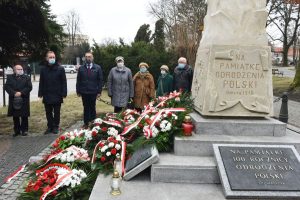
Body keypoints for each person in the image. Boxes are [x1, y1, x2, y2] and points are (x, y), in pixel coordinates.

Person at [38, 51, 67, 134]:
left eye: (53, 57)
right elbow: (41, 82)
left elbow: (64, 82)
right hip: (47, 94)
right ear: (47, 58)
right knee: (48, 112)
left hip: (57, 94)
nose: (52, 59)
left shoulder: (60, 68)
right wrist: (40, 93)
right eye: (50, 57)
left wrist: (64, 93)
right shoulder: (43, 69)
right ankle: (50, 126)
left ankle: (56, 126)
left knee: (57, 112)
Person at [76, 52, 103, 128]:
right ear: (85, 58)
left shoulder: (98, 68)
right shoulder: (81, 68)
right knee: (85, 107)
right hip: (84, 92)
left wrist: (99, 91)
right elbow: (78, 80)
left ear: (92, 58)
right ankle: (86, 123)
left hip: (93, 92)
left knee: (92, 107)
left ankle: (93, 122)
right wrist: (78, 91)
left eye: (90, 57)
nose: (88, 58)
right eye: (87, 57)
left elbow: (100, 80)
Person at [5, 65, 32, 137]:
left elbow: (29, 87)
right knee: (15, 116)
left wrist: (21, 93)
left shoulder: (27, 77)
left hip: (24, 98)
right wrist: (14, 93)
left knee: (24, 115)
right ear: (14, 70)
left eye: (21, 69)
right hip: (14, 98)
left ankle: (24, 130)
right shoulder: (10, 77)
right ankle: (17, 131)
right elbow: (7, 87)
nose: (20, 70)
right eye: (18, 69)